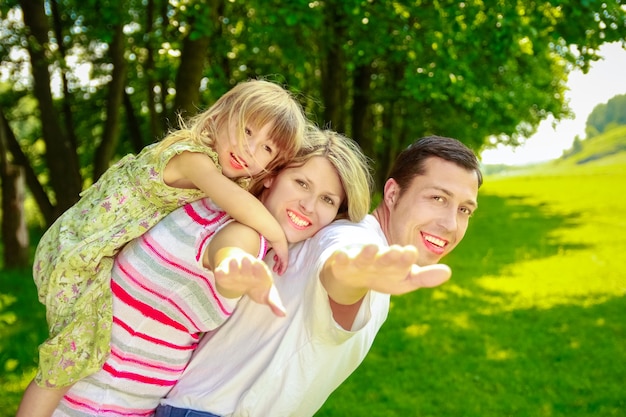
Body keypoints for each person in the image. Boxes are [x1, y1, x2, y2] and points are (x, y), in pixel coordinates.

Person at [17, 79, 307, 417]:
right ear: (220, 116)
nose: (250, 149)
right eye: (246, 130)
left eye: (267, 149)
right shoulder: (192, 158)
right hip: (81, 252)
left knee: (76, 352)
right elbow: (235, 200)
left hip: (95, 250)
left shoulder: (211, 166)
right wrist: (275, 234)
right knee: (71, 355)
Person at [45, 126, 374, 417]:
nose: (309, 205)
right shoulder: (247, 230)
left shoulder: (219, 201)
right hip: (94, 402)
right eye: (301, 183)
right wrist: (235, 267)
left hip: (116, 397)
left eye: (328, 200)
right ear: (273, 175)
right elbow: (227, 250)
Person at [155, 135, 482, 417]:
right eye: (437, 198)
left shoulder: (349, 236)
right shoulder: (354, 238)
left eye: (465, 209)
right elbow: (337, 265)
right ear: (393, 194)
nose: (451, 224)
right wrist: (353, 272)